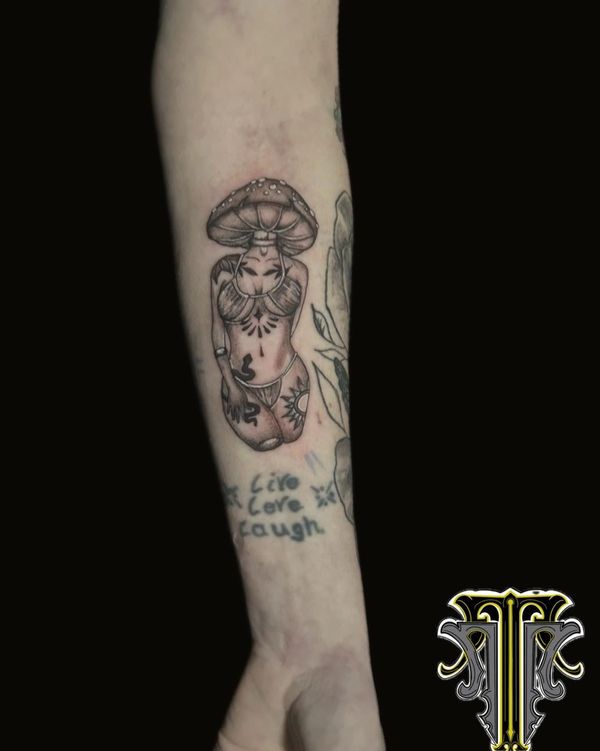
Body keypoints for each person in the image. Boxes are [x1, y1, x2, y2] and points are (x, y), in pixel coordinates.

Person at [153, 2, 385, 749]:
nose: (257, 266)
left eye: (267, 259)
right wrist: (312, 637)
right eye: (248, 259)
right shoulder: (238, 288)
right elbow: (249, 42)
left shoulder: (286, 285)